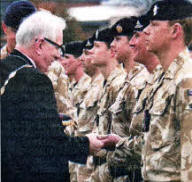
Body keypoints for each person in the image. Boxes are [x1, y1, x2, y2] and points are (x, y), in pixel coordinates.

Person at [0, 10, 104, 182]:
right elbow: (50, 143)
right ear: (39, 44)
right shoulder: (35, 80)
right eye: (57, 47)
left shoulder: (5, 69)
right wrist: (87, 144)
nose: (58, 55)